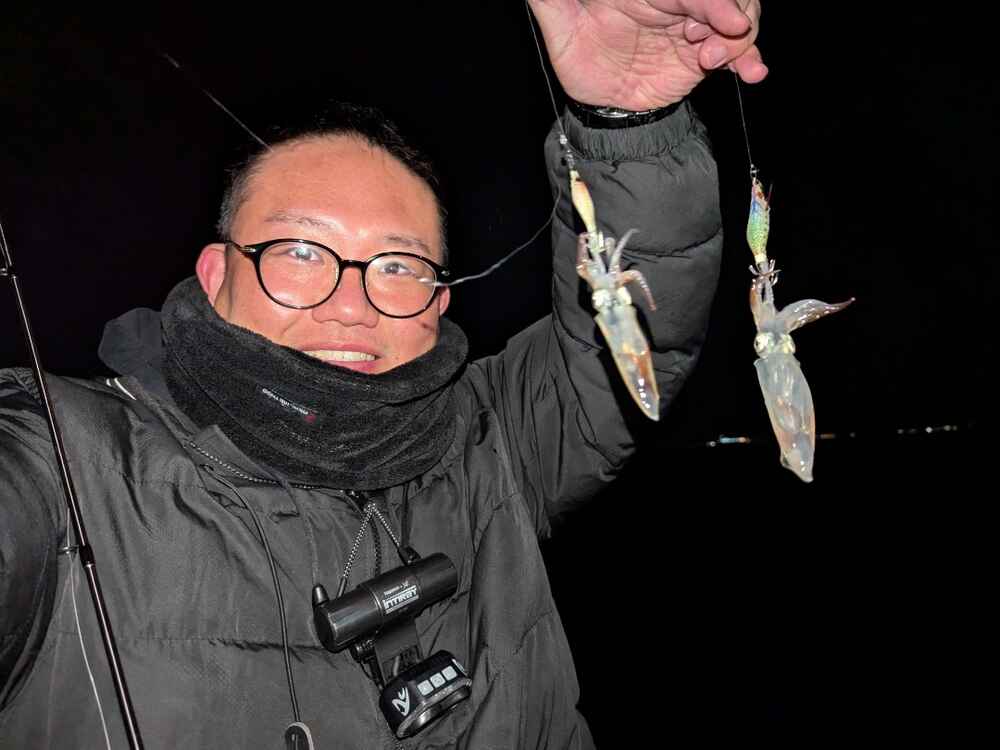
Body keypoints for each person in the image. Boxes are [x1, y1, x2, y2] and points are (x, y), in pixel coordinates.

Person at [0, 2, 766, 747]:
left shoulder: (495, 436)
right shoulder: (58, 464)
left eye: (397, 266)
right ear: (214, 274)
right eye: (302, 252)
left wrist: (625, 124)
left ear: (439, 301)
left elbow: (635, 333)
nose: (351, 306)